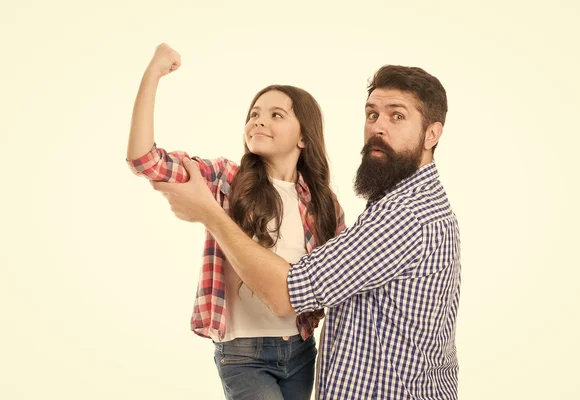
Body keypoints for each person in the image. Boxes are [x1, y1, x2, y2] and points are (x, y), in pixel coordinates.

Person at [152, 64, 461, 399]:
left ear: (432, 133)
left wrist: (209, 213)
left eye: (397, 116)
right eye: (372, 114)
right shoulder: (411, 204)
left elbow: (288, 295)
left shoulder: (404, 215)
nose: (378, 127)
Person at [126, 43, 346, 400]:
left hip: (302, 350)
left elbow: (339, 280)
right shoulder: (226, 179)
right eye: (255, 113)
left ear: (304, 136)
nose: (258, 119)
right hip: (243, 355)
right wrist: (153, 73)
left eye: (277, 114)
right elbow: (144, 160)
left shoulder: (323, 203)